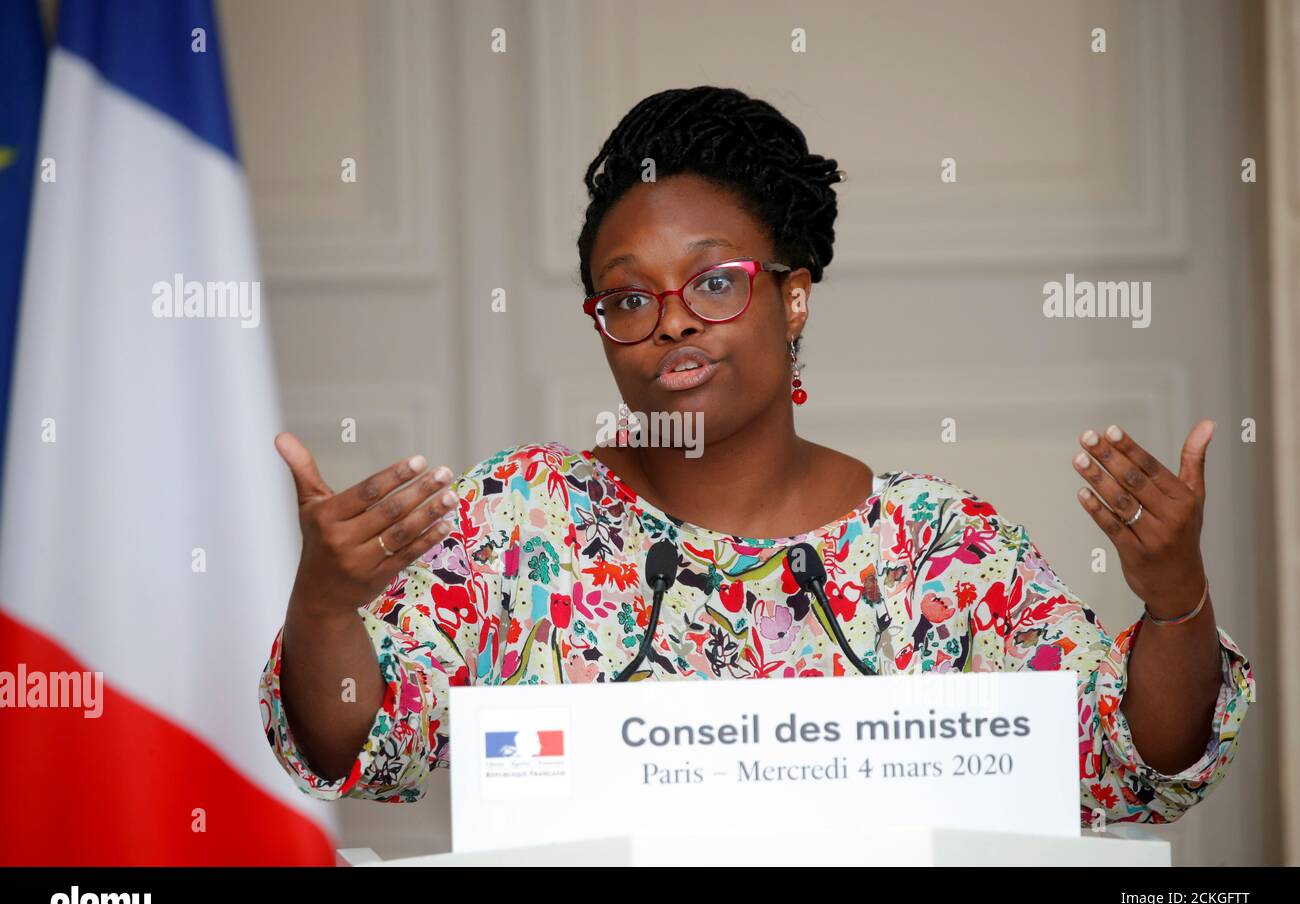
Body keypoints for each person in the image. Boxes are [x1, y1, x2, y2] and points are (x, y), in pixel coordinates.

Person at [259, 85, 1254, 826]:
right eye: (629, 296)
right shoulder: (518, 520)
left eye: (715, 282)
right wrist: (323, 602)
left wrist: (1176, 600)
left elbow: (1131, 753)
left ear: (791, 296)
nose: (672, 324)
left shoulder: (938, 545)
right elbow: (355, 736)